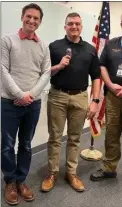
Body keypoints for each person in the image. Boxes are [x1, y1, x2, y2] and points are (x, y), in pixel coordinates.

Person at [41, 12, 101, 193]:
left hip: (81, 96)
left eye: (77, 24)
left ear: (81, 27)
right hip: (57, 96)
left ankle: (71, 173)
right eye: (70, 24)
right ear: (65, 26)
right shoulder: (54, 46)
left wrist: (95, 101)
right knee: (55, 138)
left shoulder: (91, 49)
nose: (74, 26)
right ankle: (52, 173)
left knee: (75, 138)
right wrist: (58, 66)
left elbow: (96, 76)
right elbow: (46, 73)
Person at [1, 3, 51, 205]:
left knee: (27, 145)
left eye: (36, 18)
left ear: (40, 22)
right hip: (9, 102)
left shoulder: (43, 46)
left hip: (33, 104)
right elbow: (3, 70)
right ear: (22, 17)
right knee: (7, 145)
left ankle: (21, 181)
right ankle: (10, 182)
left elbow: (46, 72)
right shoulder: (7, 40)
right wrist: (19, 94)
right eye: (29, 16)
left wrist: (30, 95)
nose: (32, 21)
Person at [90, 8, 122, 197]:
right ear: (121, 25)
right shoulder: (111, 44)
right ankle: (110, 168)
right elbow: (102, 65)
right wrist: (110, 85)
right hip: (112, 97)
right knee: (111, 133)